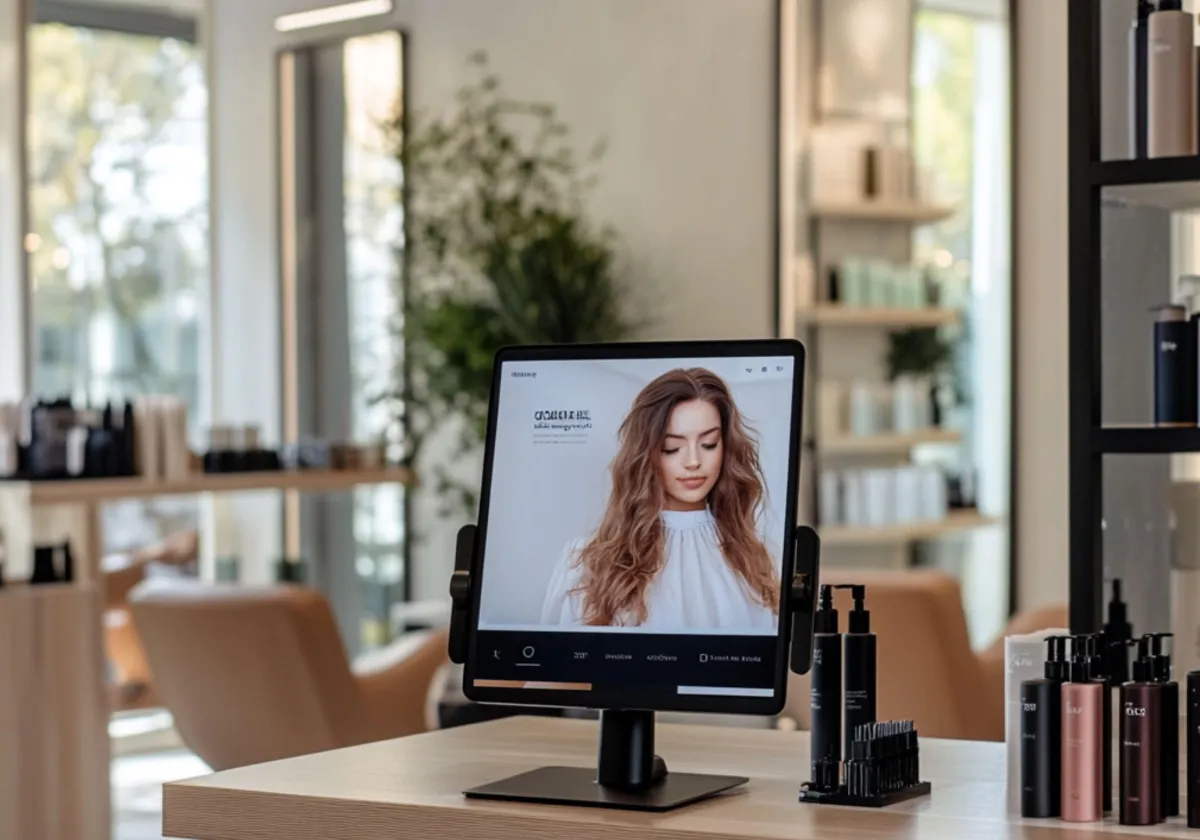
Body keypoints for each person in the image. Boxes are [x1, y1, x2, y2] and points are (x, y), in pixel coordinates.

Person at [541, 367, 780, 630]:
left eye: (709, 444)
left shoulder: (759, 560)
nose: (693, 462)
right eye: (672, 448)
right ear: (647, 453)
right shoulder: (588, 563)